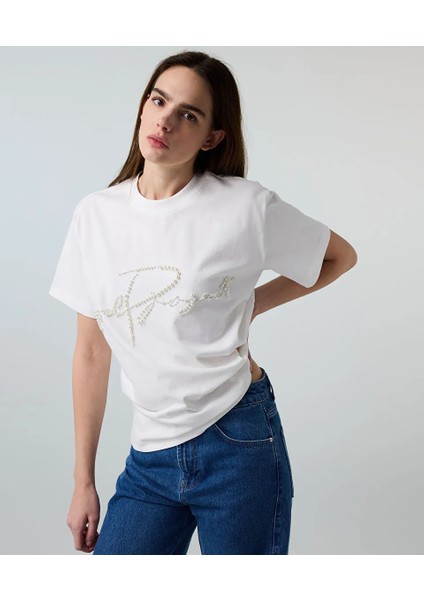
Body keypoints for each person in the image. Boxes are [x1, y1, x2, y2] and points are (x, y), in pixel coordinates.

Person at [48, 50, 357, 555]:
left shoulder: (244, 206)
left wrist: (252, 304)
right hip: (150, 455)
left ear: (212, 137)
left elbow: (339, 257)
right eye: (158, 101)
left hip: (238, 441)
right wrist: (83, 480)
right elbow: (90, 352)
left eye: (188, 114)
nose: (165, 121)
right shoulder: (95, 216)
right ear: (143, 107)